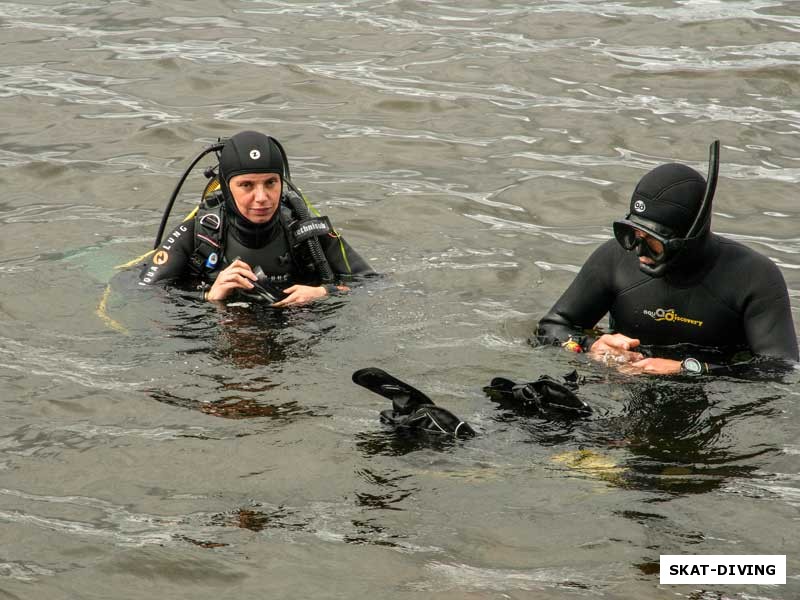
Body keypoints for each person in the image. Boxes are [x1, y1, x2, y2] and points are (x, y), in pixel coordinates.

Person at [534, 141, 798, 375]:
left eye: (653, 243)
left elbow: (778, 369)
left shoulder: (754, 277)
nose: (638, 251)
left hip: (707, 397)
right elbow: (550, 328)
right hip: (623, 384)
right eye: (632, 236)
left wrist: (687, 369)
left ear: (689, 238)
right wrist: (591, 346)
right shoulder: (613, 258)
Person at [139, 130, 375, 306]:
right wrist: (209, 296)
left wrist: (323, 293)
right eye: (246, 185)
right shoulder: (200, 233)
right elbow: (141, 294)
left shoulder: (304, 231)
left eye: (270, 183)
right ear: (226, 187)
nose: (261, 197)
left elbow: (372, 283)